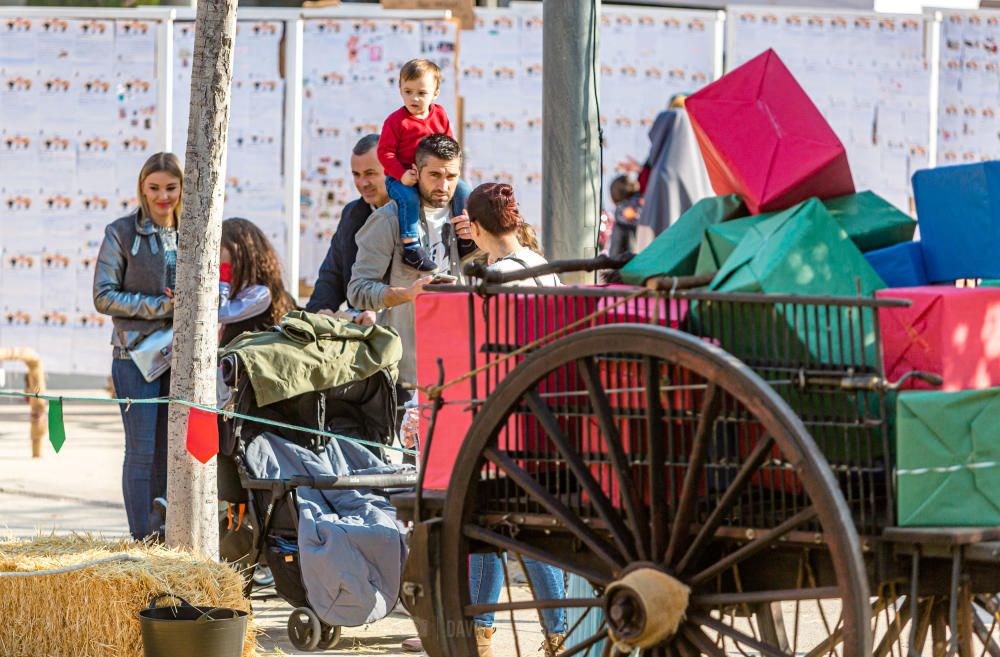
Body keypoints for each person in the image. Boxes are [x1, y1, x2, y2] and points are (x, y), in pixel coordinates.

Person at [464, 182, 565, 657]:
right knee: (531, 525)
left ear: (479, 229)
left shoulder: (499, 277)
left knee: (491, 526)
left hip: (512, 416)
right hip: (552, 414)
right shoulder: (545, 269)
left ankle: (485, 632)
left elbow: (489, 354)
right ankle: (554, 632)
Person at [93, 152, 181, 541]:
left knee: (170, 453)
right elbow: (103, 296)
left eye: (171, 188)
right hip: (134, 357)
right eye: (154, 188)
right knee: (143, 451)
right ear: (142, 189)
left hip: (180, 356)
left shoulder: (195, 229)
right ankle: (141, 536)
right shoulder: (120, 232)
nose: (163, 196)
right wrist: (161, 306)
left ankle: (165, 531)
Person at [377, 58, 471, 272]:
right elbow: (385, 153)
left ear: (435, 93)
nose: (414, 98)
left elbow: (449, 144)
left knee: (464, 190)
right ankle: (411, 247)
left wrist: (449, 171)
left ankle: (464, 236)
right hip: (401, 177)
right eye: (407, 91)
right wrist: (402, 175)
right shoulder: (396, 121)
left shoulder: (440, 114)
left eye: (421, 93)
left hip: (432, 175)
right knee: (409, 199)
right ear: (400, 89)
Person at [306, 133, 389, 326]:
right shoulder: (352, 214)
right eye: (356, 175)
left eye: (370, 173)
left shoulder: (412, 217)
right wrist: (320, 308)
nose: (362, 183)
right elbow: (332, 273)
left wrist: (381, 312)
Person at [218, 217, 296, 346]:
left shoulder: (260, 293)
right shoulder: (237, 286)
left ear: (241, 253)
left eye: (220, 250)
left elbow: (219, 312)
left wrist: (224, 271)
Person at [607, 174, 642, 257]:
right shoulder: (642, 205)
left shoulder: (620, 212)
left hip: (625, 262)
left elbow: (616, 248)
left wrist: (613, 263)